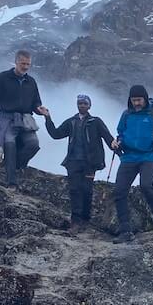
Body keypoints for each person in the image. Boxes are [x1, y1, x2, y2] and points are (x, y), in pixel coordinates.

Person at [110, 84, 153, 244]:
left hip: (149, 156)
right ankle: (126, 230)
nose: (136, 103)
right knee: (119, 191)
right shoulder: (126, 114)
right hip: (129, 156)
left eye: (139, 100)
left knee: (146, 186)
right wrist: (118, 142)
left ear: (145, 98)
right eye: (133, 100)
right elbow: (121, 132)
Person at [44, 93, 116, 229]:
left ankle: (85, 219)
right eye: (80, 103)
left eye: (85, 103)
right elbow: (56, 134)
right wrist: (47, 118)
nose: (82, 105)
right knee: (74, 190)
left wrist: (117, 149)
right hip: (73, 161)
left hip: (90, 163)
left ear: (89, 106)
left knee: (87, 190)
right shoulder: (71, 122)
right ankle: (76, 220)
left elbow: (108, 137)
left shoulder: (96, 121)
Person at [0, 50, 49, 189]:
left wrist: (40, 110)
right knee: (9, 144)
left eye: (28, 64)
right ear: (16, 62)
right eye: (23, 63)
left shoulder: (31, 82)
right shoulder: (3, 78)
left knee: (33, 145)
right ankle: (11, 182)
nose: (26, 67)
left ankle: (15, 166)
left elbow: (36, 102)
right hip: (7, 118)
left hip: (26, 119)